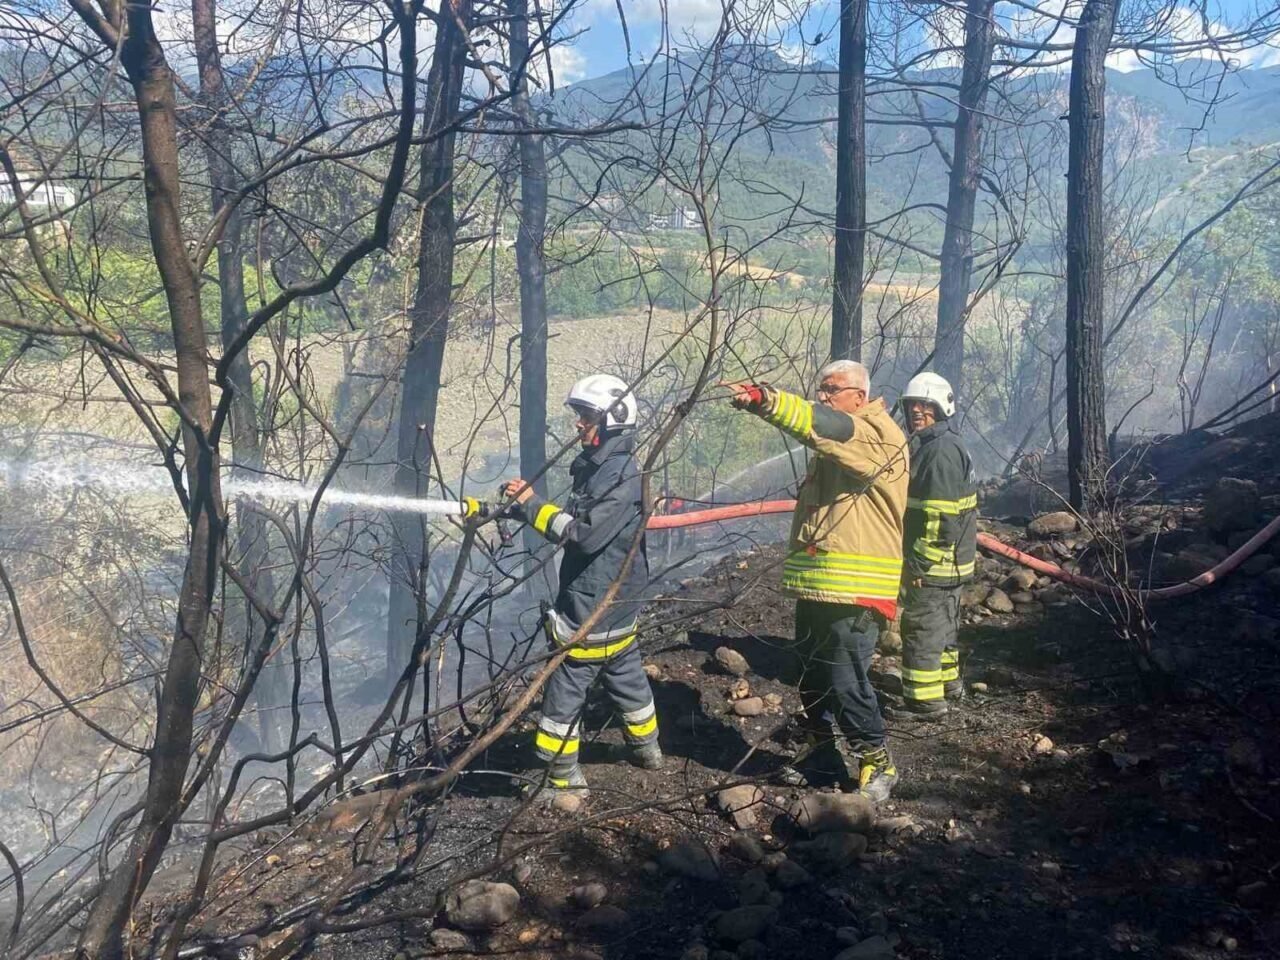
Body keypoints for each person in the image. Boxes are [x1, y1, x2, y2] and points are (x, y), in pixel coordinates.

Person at [724, 360, 909, 802]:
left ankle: (877, 761)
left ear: (859, 397)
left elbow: (821, 424)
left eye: (832, 389)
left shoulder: (875, 434)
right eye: (820, 389)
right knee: (811, 673)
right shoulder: (843, 441)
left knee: (846, 679)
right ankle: (820, 754)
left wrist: (766, 400)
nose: (823, 397)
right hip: (822, 585)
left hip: (856, 589)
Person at [502, 373, 661, 802]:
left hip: (594, 604)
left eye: (586, 416)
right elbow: (575, 522)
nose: (578, 423)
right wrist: (518, 510)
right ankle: (647, 750)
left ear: (613, 419)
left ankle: (561, 778)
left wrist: (532, 506)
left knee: (565, 686)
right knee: (625, 672)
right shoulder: (603, 468)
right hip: (616, 602)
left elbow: (584, 536)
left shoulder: (619, 476)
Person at [894, 372, 977, 719]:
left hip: (935, 563)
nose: (917, 410)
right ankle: (949, 685)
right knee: (944, 629)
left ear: (941, 407)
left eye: (925, 405)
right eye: (912, 404)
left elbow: (939, 520)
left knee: (921, 629)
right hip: (952, 561)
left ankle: (924, 702)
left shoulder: (939, 452)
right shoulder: (943, 444)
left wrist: (917, 564)